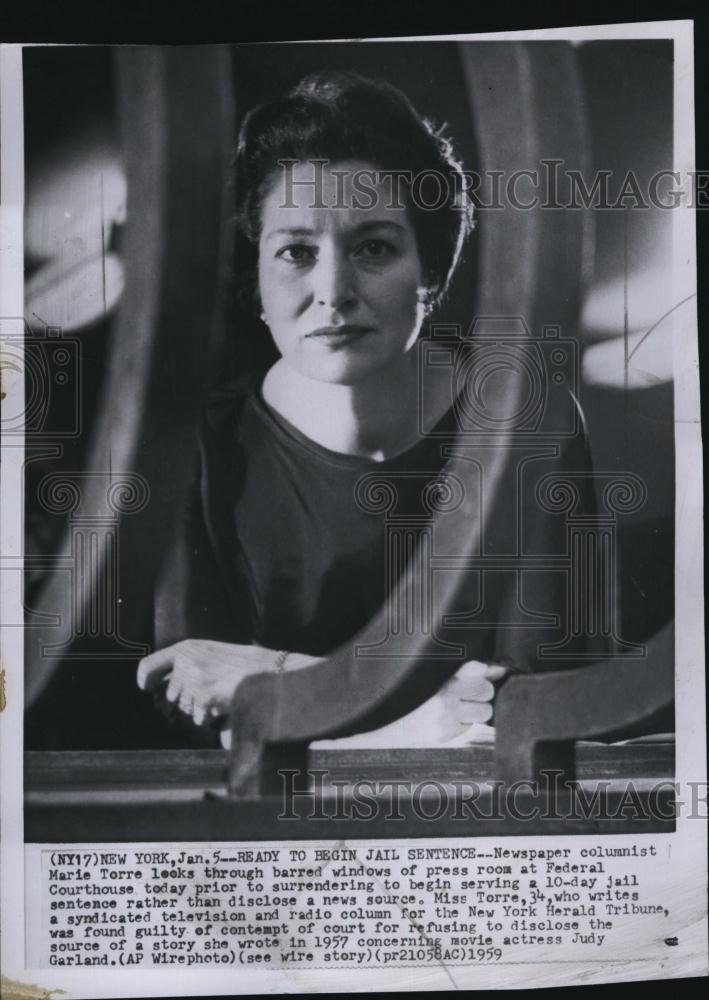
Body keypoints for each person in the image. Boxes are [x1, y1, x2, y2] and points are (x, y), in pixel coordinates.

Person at [136, 72, 590, 749]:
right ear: (254, 277)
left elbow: (533, 705)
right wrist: (422, 715)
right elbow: (195, 694)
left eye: (373, 247)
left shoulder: (526, 423)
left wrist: (281, 677)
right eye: (295, 251)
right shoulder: (197, 446)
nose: (332, 291)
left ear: (430, 273)